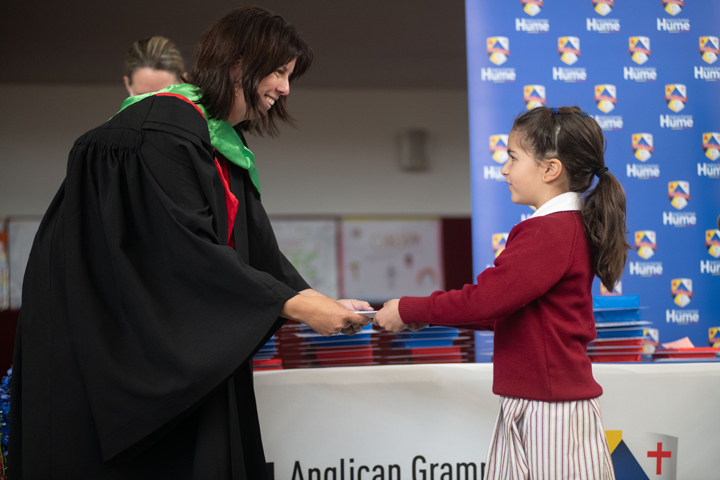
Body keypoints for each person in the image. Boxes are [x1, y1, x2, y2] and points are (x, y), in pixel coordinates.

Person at [9, 7, 371, 479]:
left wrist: (314, 301)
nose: (285, 88)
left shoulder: (216, 144)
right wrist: (296, 308)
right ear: (239, 65)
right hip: (109, 358)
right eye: (279, 72)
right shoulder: (155, 135)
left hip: (174, 352)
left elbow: (255, 254)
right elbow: (185, 255)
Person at [375, 106, 629, 480]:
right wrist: (420, 316)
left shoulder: (549, 231)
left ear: (550, 169)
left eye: (512, 157)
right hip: (540, 402)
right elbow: (507, 313)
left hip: (550, 408)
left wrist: (412, 309)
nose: (504, 170)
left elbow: (486, 299)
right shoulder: (563, 228)